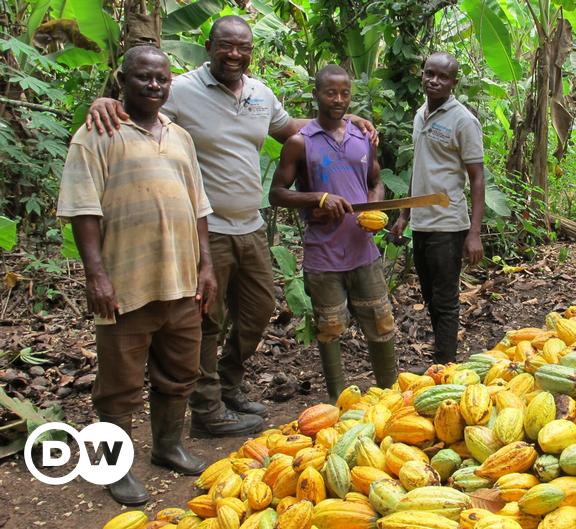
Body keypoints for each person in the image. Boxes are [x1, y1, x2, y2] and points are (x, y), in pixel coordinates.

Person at [85, 16, 377, 437]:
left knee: (258, 310)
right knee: (207, 318)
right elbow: (139, 112)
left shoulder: (261, 93)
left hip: (250, 223)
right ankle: (206, 409)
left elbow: (291, 129)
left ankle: (228, 384)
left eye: (243, 47)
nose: (235, 54)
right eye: (226, 45)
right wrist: (105, 102)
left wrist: (349, 122)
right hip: (206, 227)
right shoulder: (181, 90)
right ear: (209, 46)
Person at [57, 45, 212, 505]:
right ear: (122, 80)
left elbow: (198, 205)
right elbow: (83, 210)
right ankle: (113, 467)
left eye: (162, 78)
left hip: (181, 282)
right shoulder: (96, 133)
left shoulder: (179, 136)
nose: (154, 85)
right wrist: (97, 276)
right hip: (126, 284)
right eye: (143, 77)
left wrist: (206, 264)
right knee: (119, 386)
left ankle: (167, 446)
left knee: (181, 371)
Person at [269, 65, 397, 399]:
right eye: (330, 92)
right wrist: (318, 198)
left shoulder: (362, 138)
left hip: (362, 249)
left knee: (381, 323)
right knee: (330, 328)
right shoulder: (300, 142)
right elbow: (277, 194)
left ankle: (392, 395)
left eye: (344, 93)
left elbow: (376, 182)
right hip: (323, 253)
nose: (338, 100)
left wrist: (374, 207)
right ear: (317, 95)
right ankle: (338, 401)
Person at [389, 52, 485, 365]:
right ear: (423, 74)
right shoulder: (420, 114)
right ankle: (441, 358)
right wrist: (404, 215)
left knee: (445, 298)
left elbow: (477, 178)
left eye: (442, 77)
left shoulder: (463, 121)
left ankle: (445, 365)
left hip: (448, 223)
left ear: (453, 82)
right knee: (430, 296)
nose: (434, 80)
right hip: (422, 223)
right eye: (430, 73)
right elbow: (420, 168)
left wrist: (474, 233)